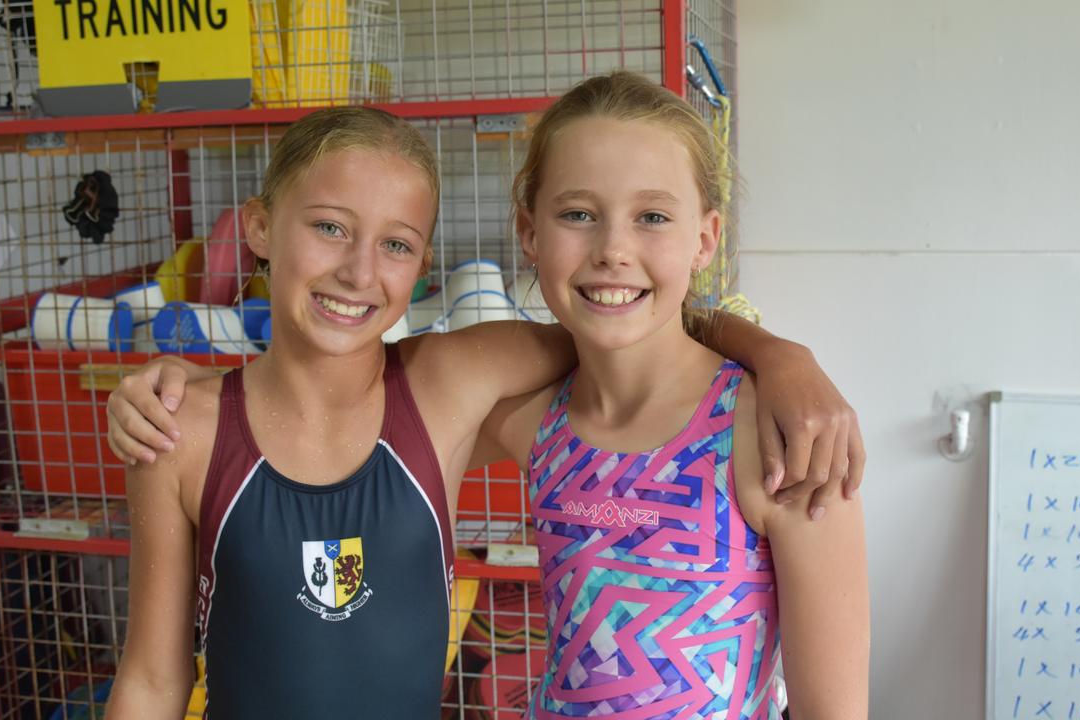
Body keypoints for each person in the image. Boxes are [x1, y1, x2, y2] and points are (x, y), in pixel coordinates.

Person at [105, 104, 864, 718]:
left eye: (396, 245)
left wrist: (781, 357)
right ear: (261, 227)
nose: (360, 269)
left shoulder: (775, 438)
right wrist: (174, 379)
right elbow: (150, 679)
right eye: (330, 226)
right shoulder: (181, 429)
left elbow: (636, 324)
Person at [472, 71, 869, 718]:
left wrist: (781, 358)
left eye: (652, 217)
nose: (613, 250)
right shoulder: (533, 422)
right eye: (578, 215)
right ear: (530, 232)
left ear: (705, 240)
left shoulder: (777, 439)